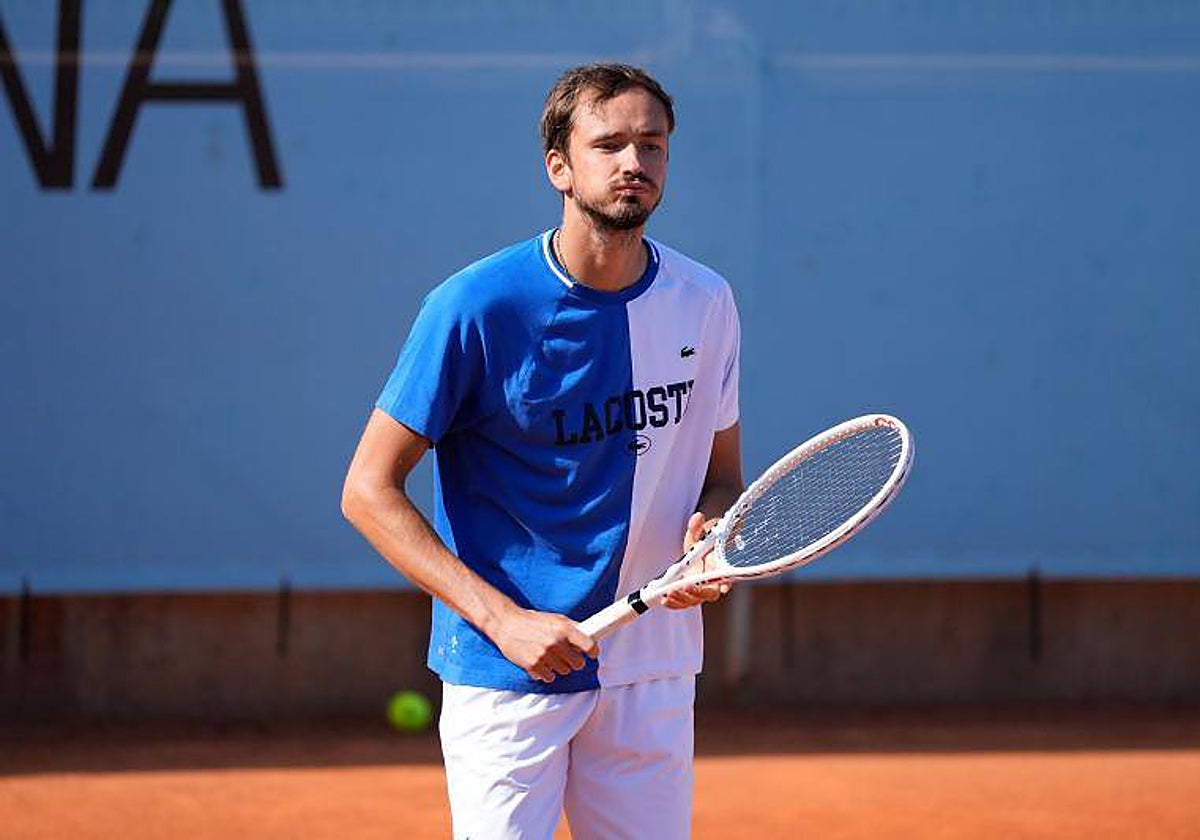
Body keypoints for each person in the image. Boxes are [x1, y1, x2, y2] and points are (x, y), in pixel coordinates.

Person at [342, 63, 743, 839]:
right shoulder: (475, 307)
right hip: (509, 671)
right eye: (610, 144)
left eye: (652, 145)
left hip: (653, 666)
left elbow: (721, 479)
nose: (634, 163)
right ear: (559, 166)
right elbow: (367, 489)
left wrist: (710, 540)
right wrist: (504, 622)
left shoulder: (707, 302)